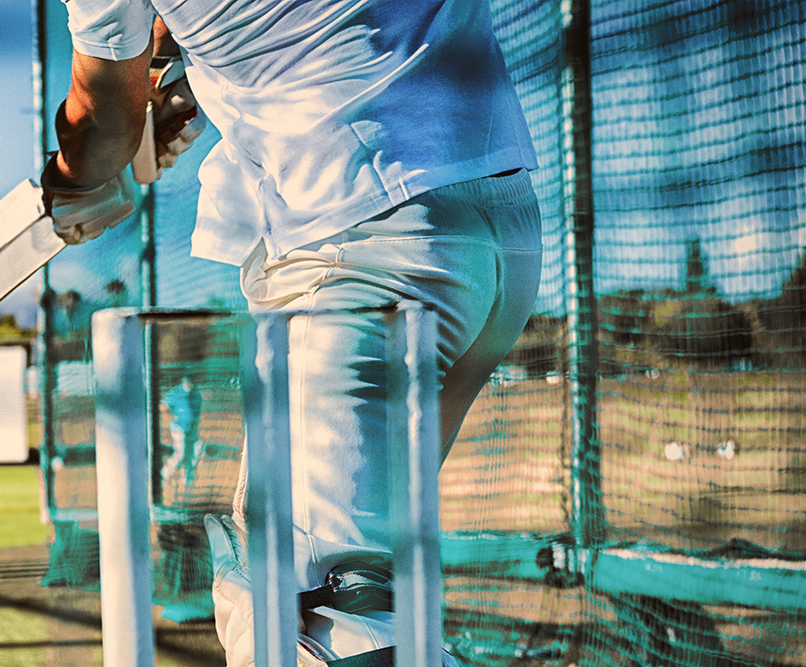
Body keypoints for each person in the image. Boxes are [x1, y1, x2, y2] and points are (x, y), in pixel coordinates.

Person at [44, 1, 541, 665]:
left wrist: (74, 176)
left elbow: (101, 121)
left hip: (357, 248)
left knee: (308, 611)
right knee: (363, 579)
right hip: (499, 238)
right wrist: (174, 71)